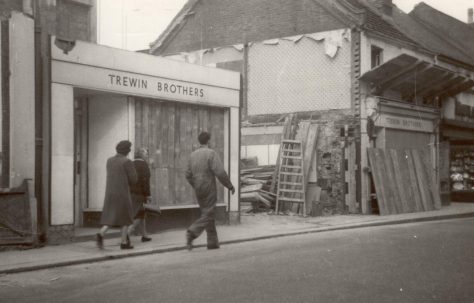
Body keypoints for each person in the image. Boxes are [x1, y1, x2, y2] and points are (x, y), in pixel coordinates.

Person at [185, 131, 235, 250]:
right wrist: (229, 186)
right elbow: (220, 172)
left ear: (199, 141)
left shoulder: (192, 155)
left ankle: (212, 242)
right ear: (208, 141)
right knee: (209, 213)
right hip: (208, 186)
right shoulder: (211, 153)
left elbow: (187, 174)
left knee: (206, 212)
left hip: (198, 188)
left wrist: (196, 184)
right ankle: (192, 232)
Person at [96, 140, 138, 250]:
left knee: (111, 216)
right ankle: (124, 242)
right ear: (127, 151)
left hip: (110, 193)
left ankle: (101, 233)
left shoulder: (109, 160)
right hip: (122, 193)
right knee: (125, 218)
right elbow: (134, 180)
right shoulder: (127, 162)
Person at [128, 147, 153, 242]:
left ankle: (144, 235)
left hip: (130, 193)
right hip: (139, 193)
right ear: (141, 155)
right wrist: (148, 195)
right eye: (146, 154)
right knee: (139, 214)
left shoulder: (131, 163)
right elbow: (145, 182)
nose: (147, 156)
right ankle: (128, 233)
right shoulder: (144, 165)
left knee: (142, 214)